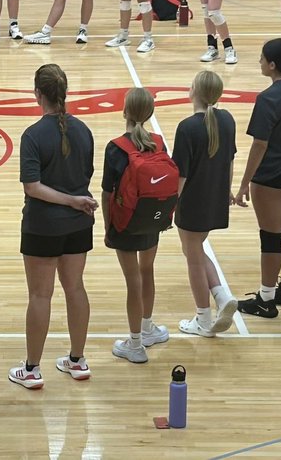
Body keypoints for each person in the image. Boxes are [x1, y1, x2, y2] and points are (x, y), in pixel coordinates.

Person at [8, 64, 97, 388]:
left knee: (40, 295)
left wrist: (70, 201)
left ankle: (32, 369)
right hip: (77, 226)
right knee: (75, 288)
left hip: (43, 227)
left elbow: (32, 187)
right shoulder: (84, 130)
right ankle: (77, 360)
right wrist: (75, 201)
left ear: (38, 95)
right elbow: (85, 176)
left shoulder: (33, 135)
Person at [233, 39, 281, 319]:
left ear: (273, 65)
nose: (260, 62)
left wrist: (243, 184)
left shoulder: (268, 99)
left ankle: (266, 299)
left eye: (262, 59)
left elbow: (259, 146)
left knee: (271, 237)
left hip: (270, 175)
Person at [103, 88, 170, 362]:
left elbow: (108, 192)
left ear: (124, 111)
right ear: (151, 113)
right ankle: (147, 329)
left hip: (125, 222)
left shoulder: (116, 147)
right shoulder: (159, 142)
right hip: (152, 219)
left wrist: (109, 228)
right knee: (147, 271)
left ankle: (134, 345)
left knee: (133, 281)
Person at [172, 70, 238, 337]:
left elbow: (181, 174)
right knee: (196, 251)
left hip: (192, 200)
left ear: (193, 92)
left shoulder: (187, 127)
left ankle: (202, 319)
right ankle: (221, 297)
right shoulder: (227, 119)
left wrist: (170, 205)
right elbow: (231, 161)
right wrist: (227, 191)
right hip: (215, 195)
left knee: (193, 259)